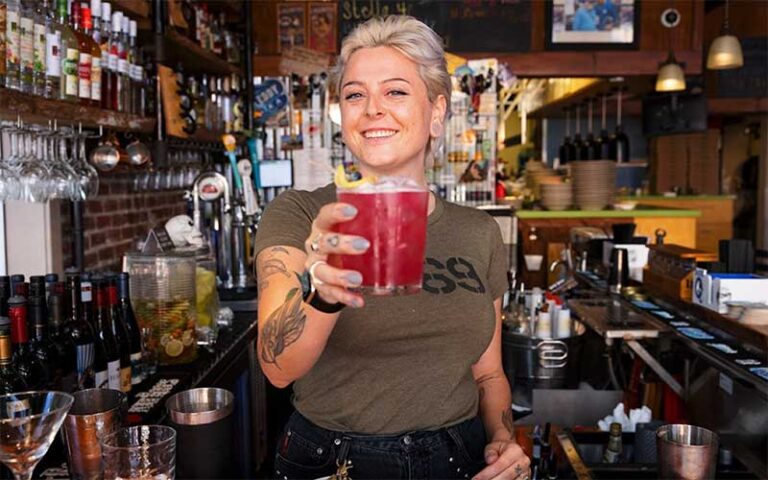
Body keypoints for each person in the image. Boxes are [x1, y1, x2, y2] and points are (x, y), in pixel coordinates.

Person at [254, 15, 530, 480]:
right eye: (355, 94)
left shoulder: (478, 232)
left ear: (437, 112)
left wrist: (503, 441)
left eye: (396, 91)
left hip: (458, 458)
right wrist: (324, 287)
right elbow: (277, 367)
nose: (373, 109)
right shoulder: (301, 213)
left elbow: (488, 376)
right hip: (331, 460)